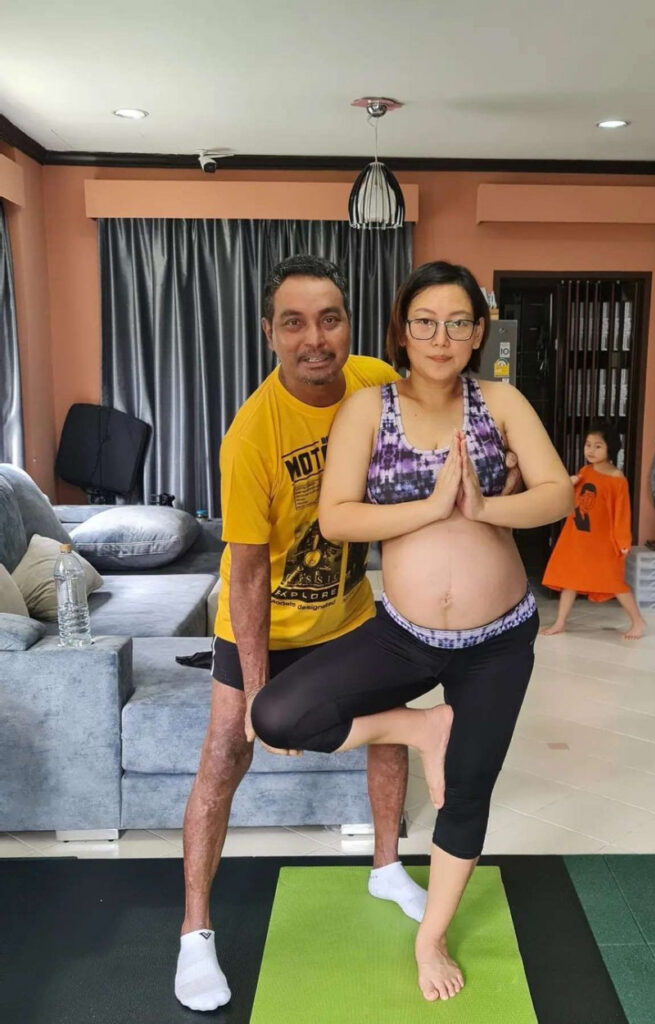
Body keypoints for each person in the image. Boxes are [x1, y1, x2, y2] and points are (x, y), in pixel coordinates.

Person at [249, 260, 574, 1002]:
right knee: (278, 716)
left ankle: (432, 937)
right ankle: (424, 727)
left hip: (497, 641)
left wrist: (485, 508)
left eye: (457, 323)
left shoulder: (500, 401)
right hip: (403, 634)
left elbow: (557, 493)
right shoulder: (369, 408)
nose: (440, 337)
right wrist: (432, 506)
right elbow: (337, 517)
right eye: (424, 322)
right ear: (402, 330)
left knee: (467, 791)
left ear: (478, 332)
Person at [175, 255, 425, 1012]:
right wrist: (258, 693)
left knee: (389, 731)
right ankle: (194, 932)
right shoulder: (252, 435)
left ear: (348, 325)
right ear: (269, 334)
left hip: (346, 610)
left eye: (329, 319)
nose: (314, 339)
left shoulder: (374, 381)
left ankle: (387, 867)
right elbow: (247, 576)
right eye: (294, 323)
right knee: (225, 754)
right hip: (261, 621)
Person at [541, 421, 647, 639]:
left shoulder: (617, 479)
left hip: (603, 542)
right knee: (569, 579)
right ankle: (560, 622)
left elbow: (622, 513)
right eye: (588, 445)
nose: (590, 450)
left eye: (598, 446)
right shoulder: (585, 472)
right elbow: (572, 502)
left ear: (610, 448)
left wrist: (623, 541)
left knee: (614, 582)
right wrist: (569, 484)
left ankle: (638, 621)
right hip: (577, 537)